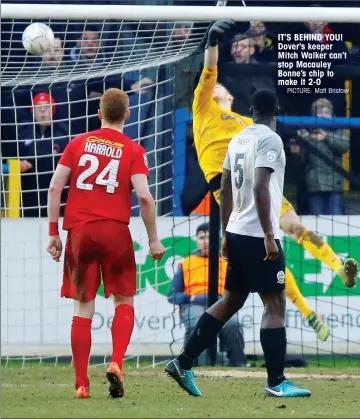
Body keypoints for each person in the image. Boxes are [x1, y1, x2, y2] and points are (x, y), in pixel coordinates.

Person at [184, 19, 358, 339]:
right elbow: (209, 73)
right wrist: (211, 43)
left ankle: (340, 267)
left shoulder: (242, 122)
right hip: (233, 191)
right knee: (269, 253)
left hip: (258, 183)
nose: (216, 85)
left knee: (295, 227)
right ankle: (308, 313)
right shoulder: (203, 108)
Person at [166, 89, 311, 398]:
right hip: (259, 236)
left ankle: (183, 361)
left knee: (230, 301)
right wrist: (270, 235)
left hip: (238, 233)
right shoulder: (270, 139)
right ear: (276, 110)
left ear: (250, 110)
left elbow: (224, 186)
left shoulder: (238, 139)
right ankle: (276, 382)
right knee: (274, 304)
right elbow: (260, 185)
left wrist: (228, 232)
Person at [46, 88, 166, 399]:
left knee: (83, 307)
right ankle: (115, 362)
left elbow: (55, 186)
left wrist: (53, 232)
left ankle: (82, 384)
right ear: (127, 114)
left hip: (80, 233)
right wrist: (153, 239)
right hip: (115, 232)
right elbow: (143, 196)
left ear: (99, 114)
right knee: (124, 301)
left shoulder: (77, 143)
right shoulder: (133, 149)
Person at [167, 222, 248, 367]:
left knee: (233, 325)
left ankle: (238, 366)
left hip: (222, 304)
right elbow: (172, 295)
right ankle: (189, 366)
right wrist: (190, 298)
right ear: (196, 240)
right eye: (201, 237)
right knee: (198, 323)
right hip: (194, 305)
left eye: (209, 238)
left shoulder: (227, 261)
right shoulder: (186, 263)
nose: (205, 242)